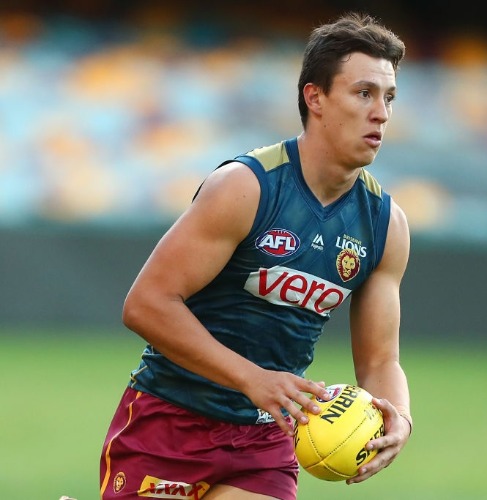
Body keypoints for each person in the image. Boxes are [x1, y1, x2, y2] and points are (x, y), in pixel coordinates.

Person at [99, 12, 413, 500]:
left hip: (267, 438)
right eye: (364, 93)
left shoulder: (385, 225)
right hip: (172, 420)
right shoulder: (247, 187)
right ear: (316, 97)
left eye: (389, 97)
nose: (382, 113)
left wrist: (399, 416)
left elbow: (379, 359)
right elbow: (146, 305)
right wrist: (253, 379)